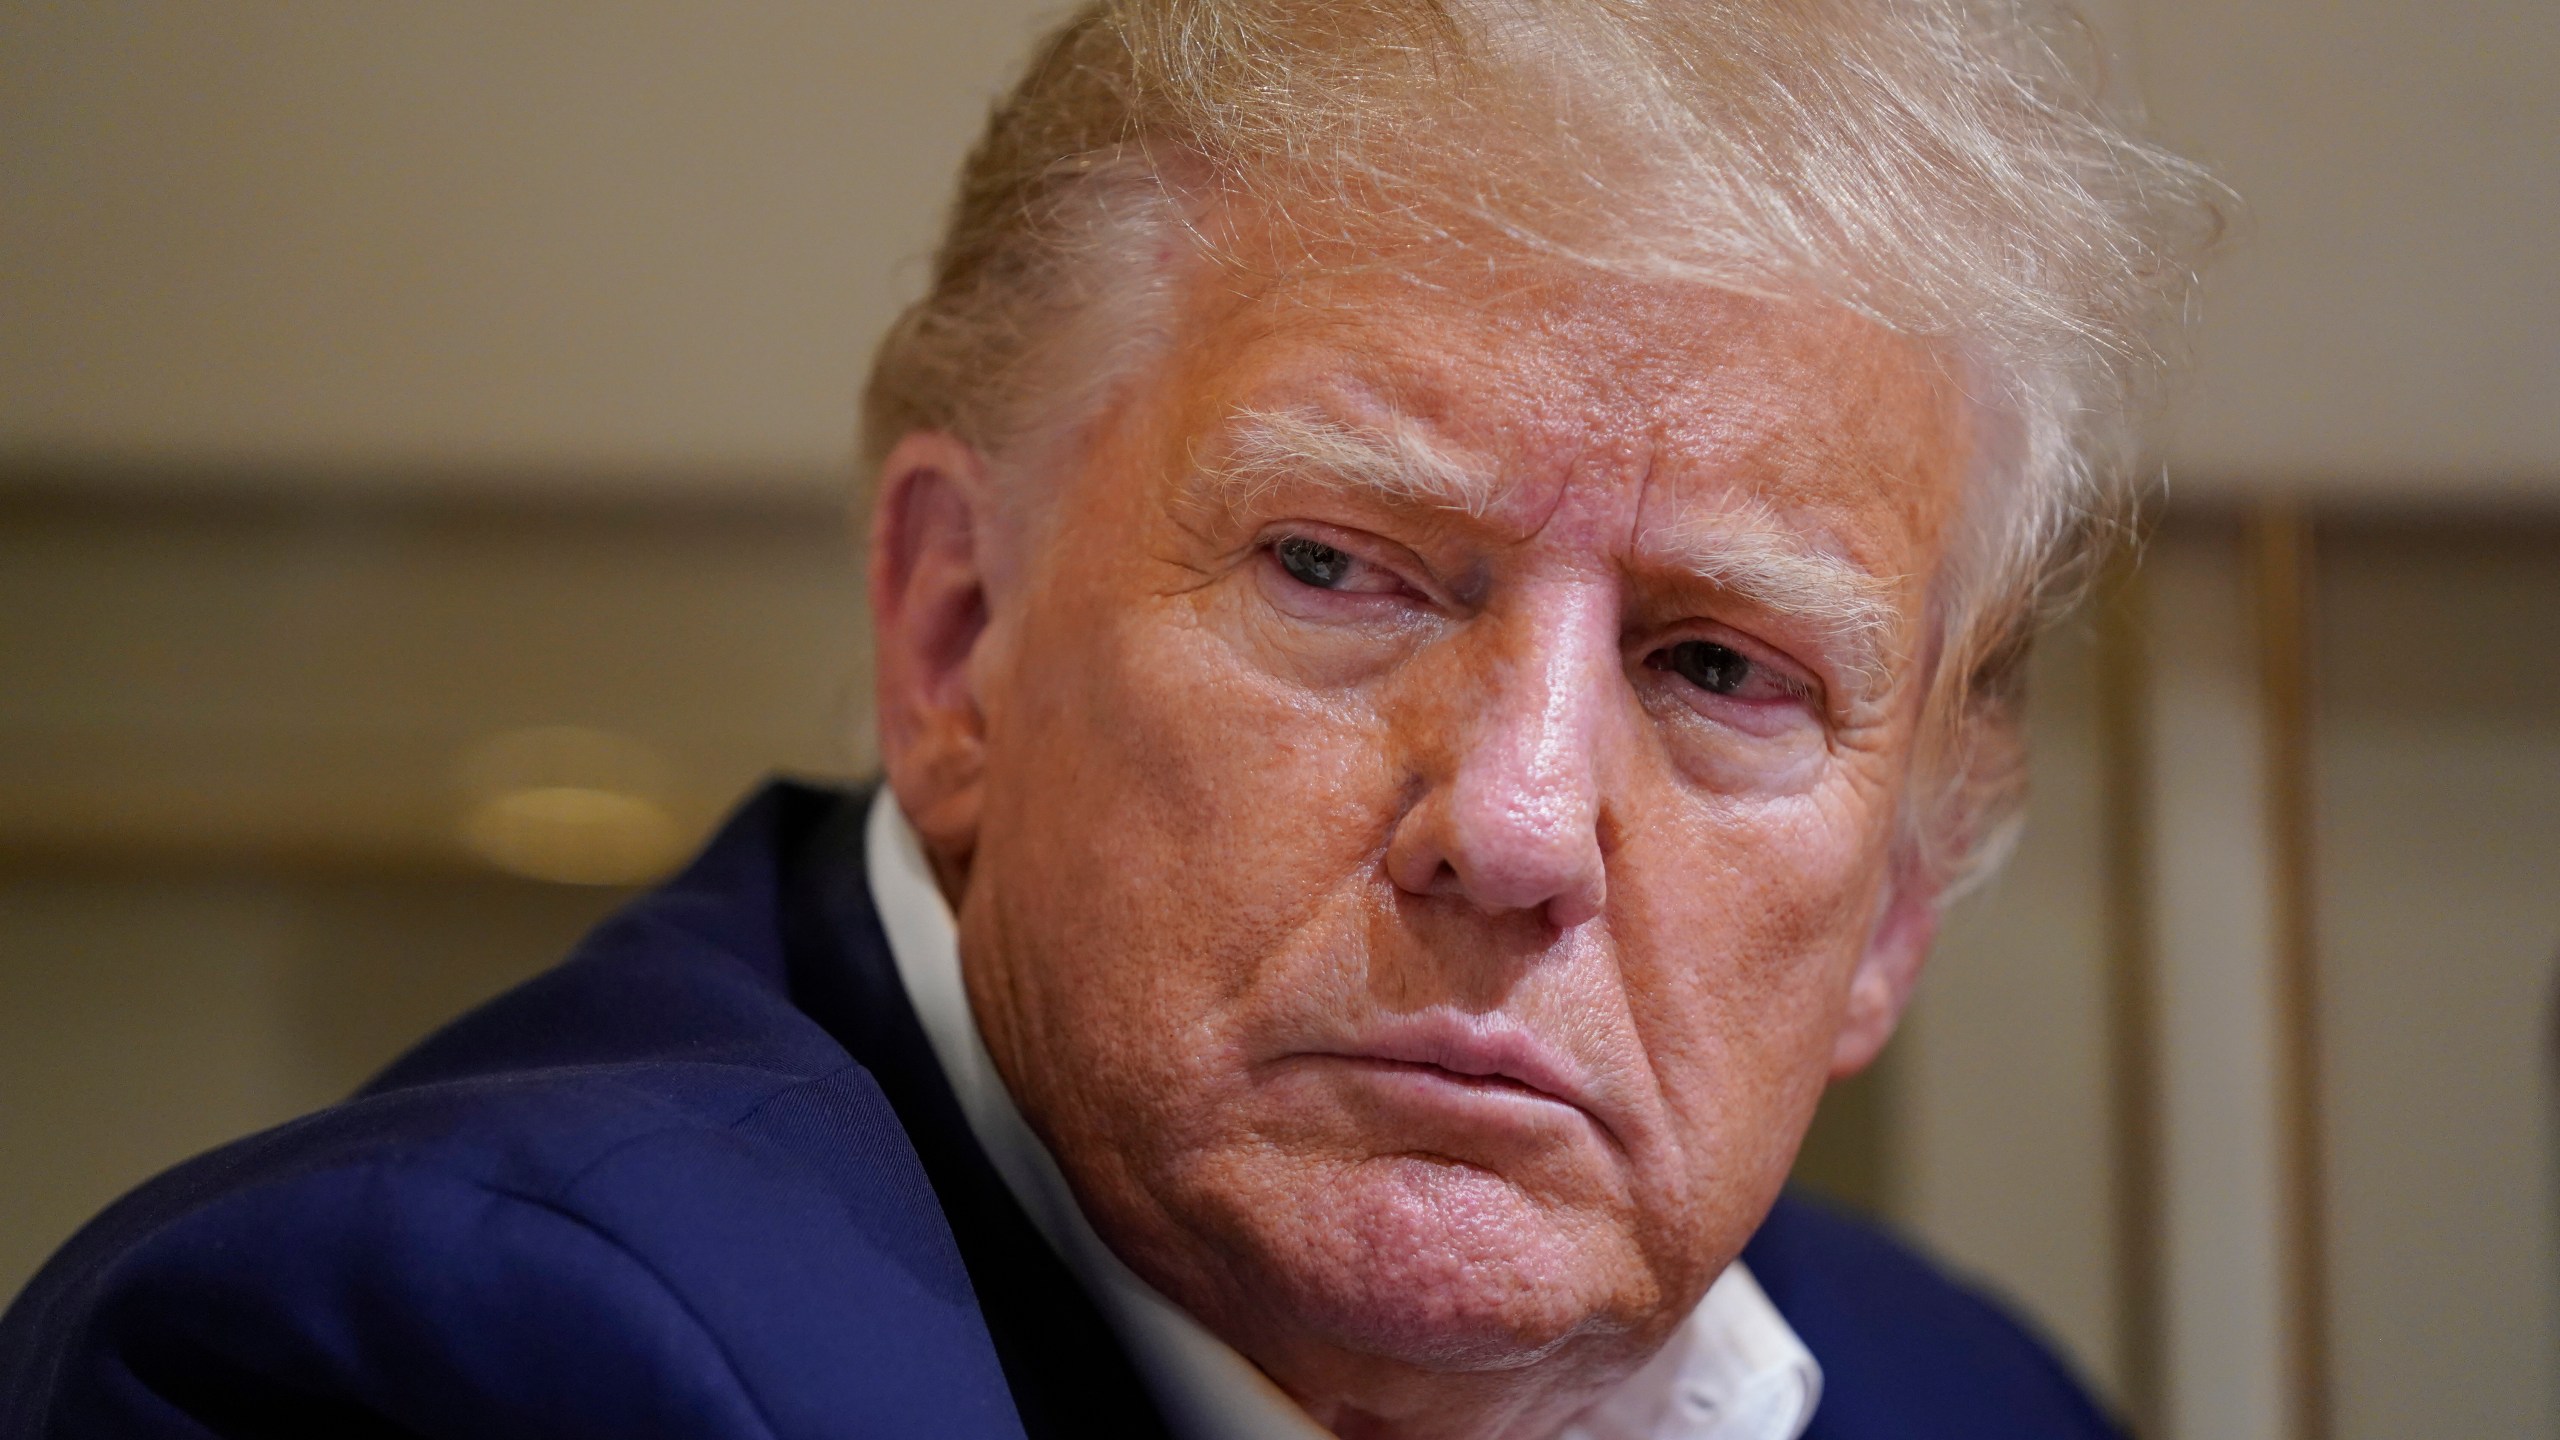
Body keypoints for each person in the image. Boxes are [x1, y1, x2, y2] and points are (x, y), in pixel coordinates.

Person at [0, 2, 2224, 1436]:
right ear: (955, 633)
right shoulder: (460, 1366)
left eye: (1720, 668)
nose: (1521, 823)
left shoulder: (1965, 1401)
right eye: (1336, 569)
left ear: (1900, 905)